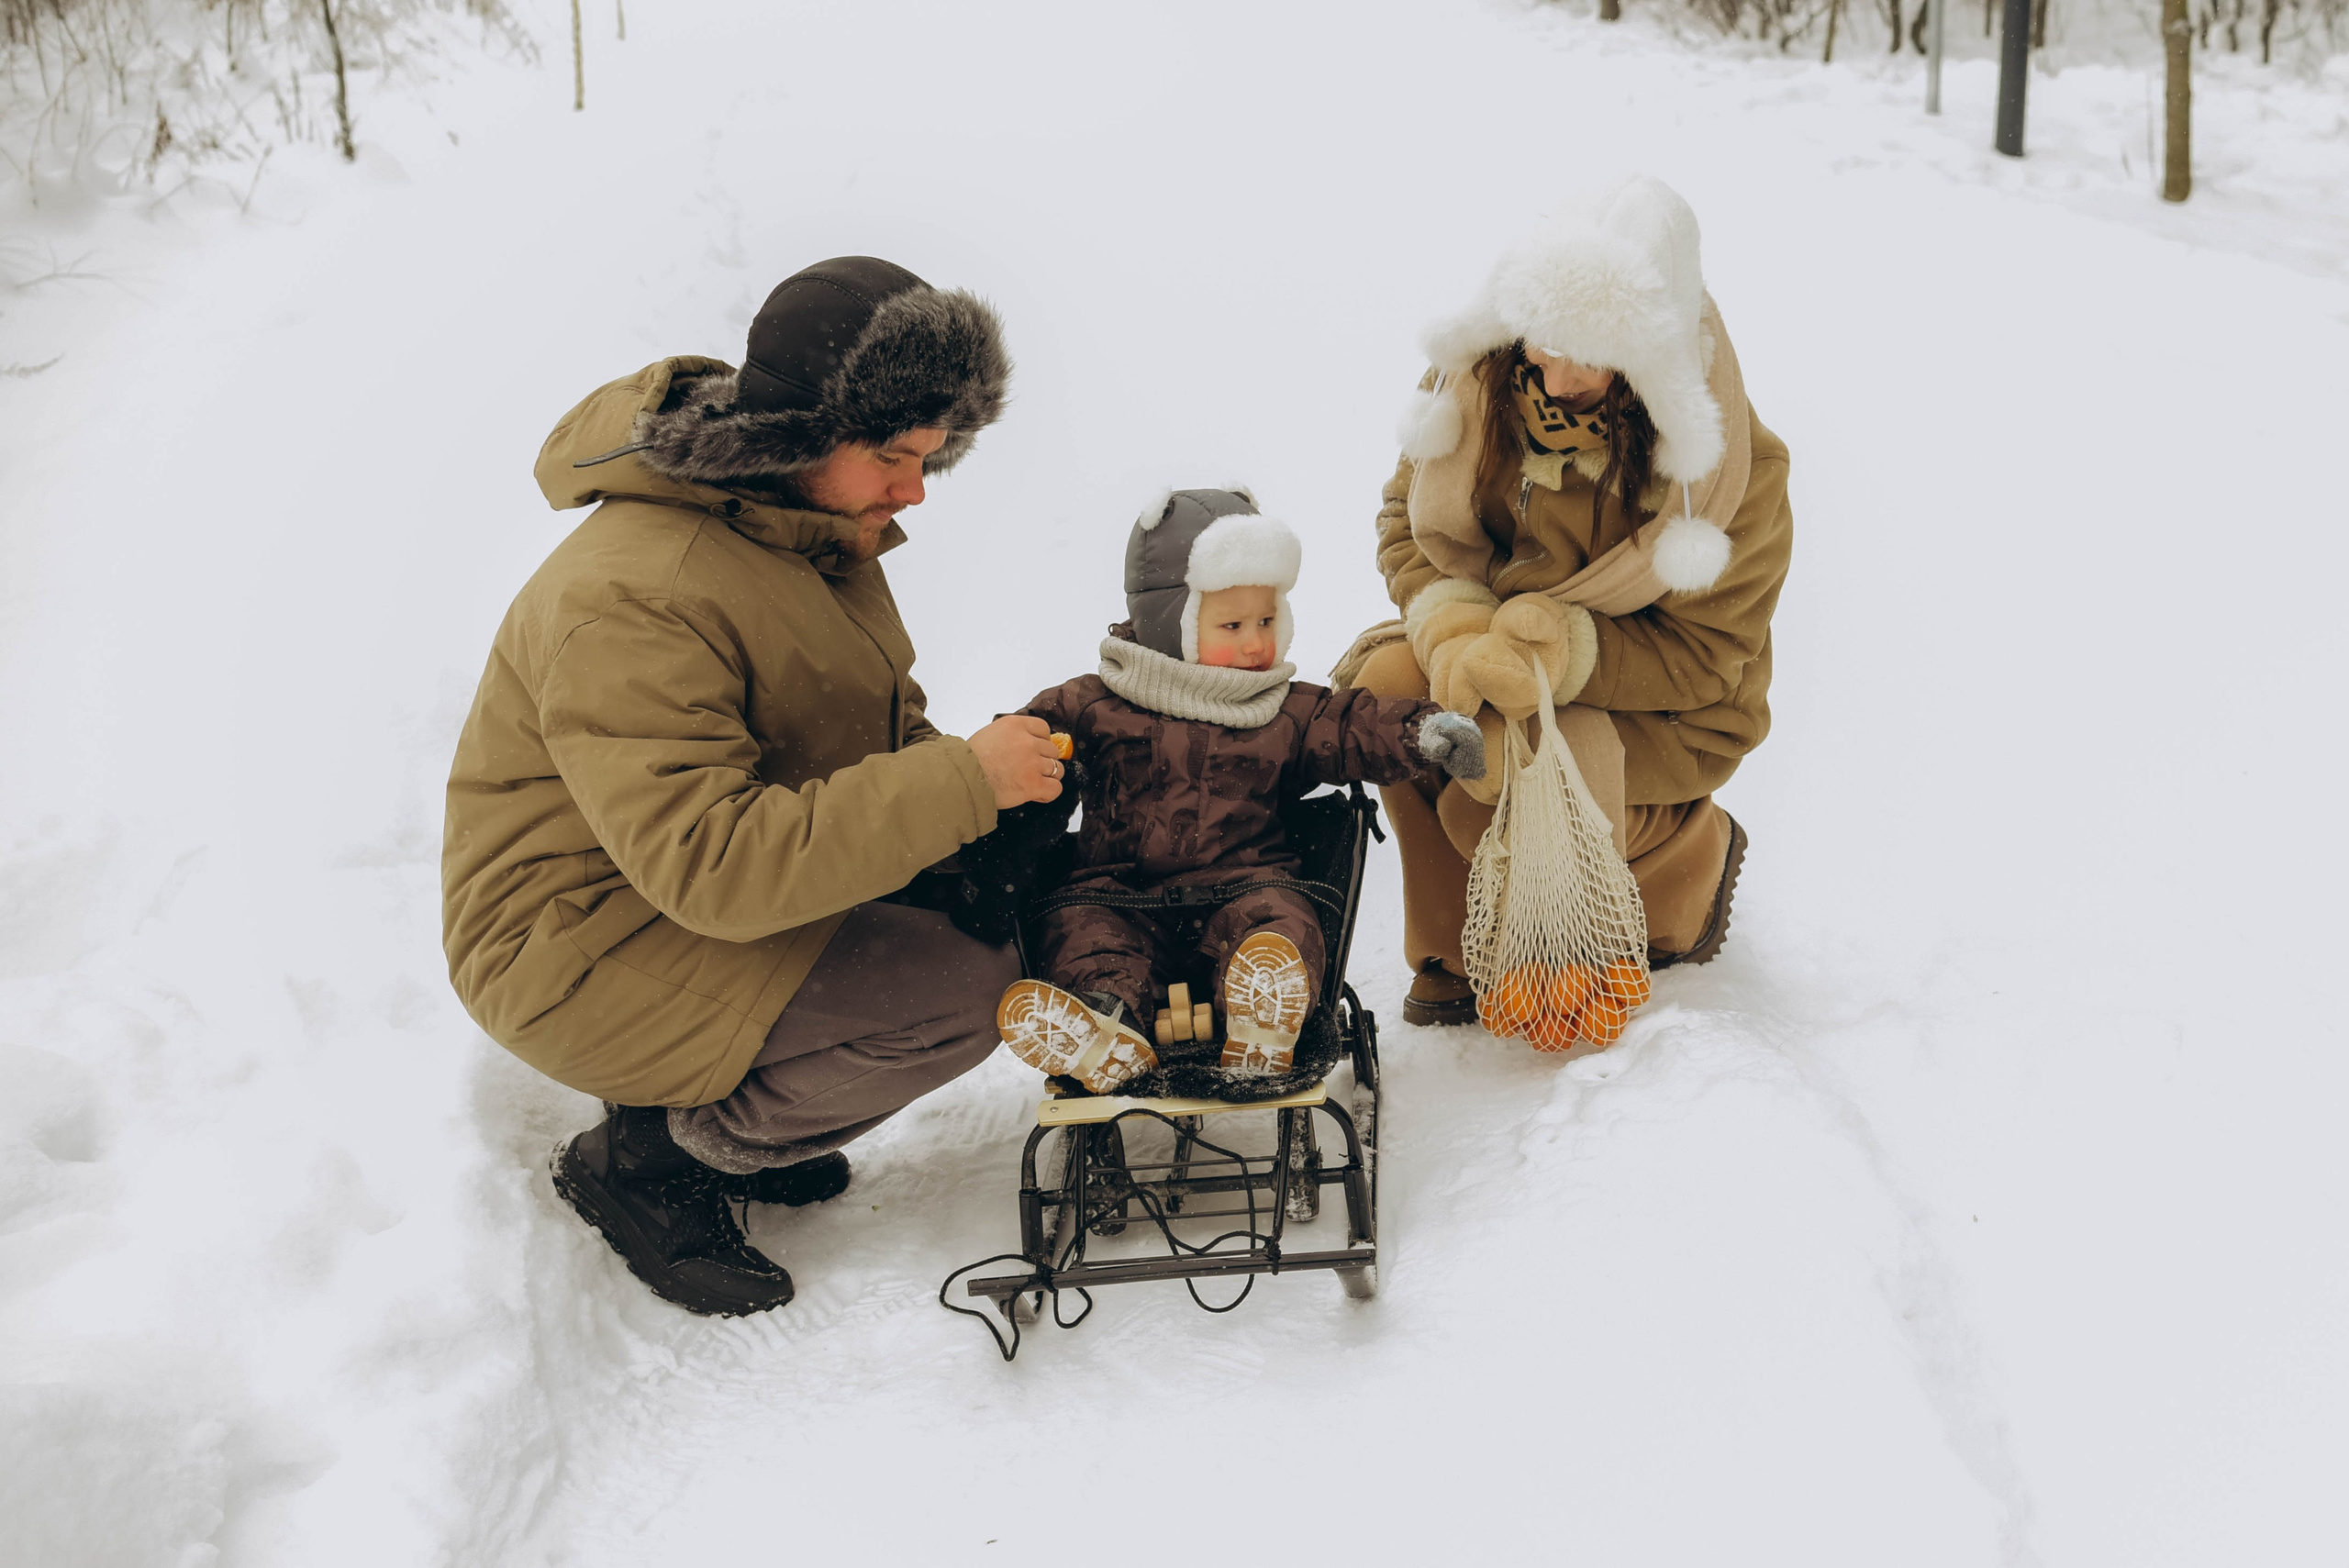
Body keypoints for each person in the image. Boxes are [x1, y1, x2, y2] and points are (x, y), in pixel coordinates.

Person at [441, 256, 1063, 1318]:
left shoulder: (806, 531)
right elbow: (713, 867)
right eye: (891, 457)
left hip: (664, 900)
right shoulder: (640, 592)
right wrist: (961, 783)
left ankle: (733, 1104)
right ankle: (651, 1153)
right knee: (970, 989)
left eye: (931, 457)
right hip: (568, 945)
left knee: (998, 907)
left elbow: (869, 728)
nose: (914, 491)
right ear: (805, 430)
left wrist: (988, 808)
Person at [1334, 176, 1795, 1028]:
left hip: (1659, 709)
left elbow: (1702, 658)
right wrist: (1456, 624)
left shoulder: (1733, 474)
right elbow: (1406, 520)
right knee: (1389, 697)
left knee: (1491, 792)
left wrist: (1558, 651)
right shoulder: (1475, 386)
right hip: (1495, 644)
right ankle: (1450, 940)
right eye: (1543, 340)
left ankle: (1684, 868)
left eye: (1590, 351)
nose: (1554, 370)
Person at [994, 487, 1486, 1094]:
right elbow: (1023, 742)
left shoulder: (1282, 708)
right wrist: (1007, 764)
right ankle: (1102, 1021)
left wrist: (1422, 731)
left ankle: (1262, 1009)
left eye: (1267, 620)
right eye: (1232, 624)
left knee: (1281, 920)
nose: (1256, 642)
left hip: (1246, 888)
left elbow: (1352, 724)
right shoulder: (1095, 702)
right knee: (1082, 930)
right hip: (1122, 896)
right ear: (1169, 619)